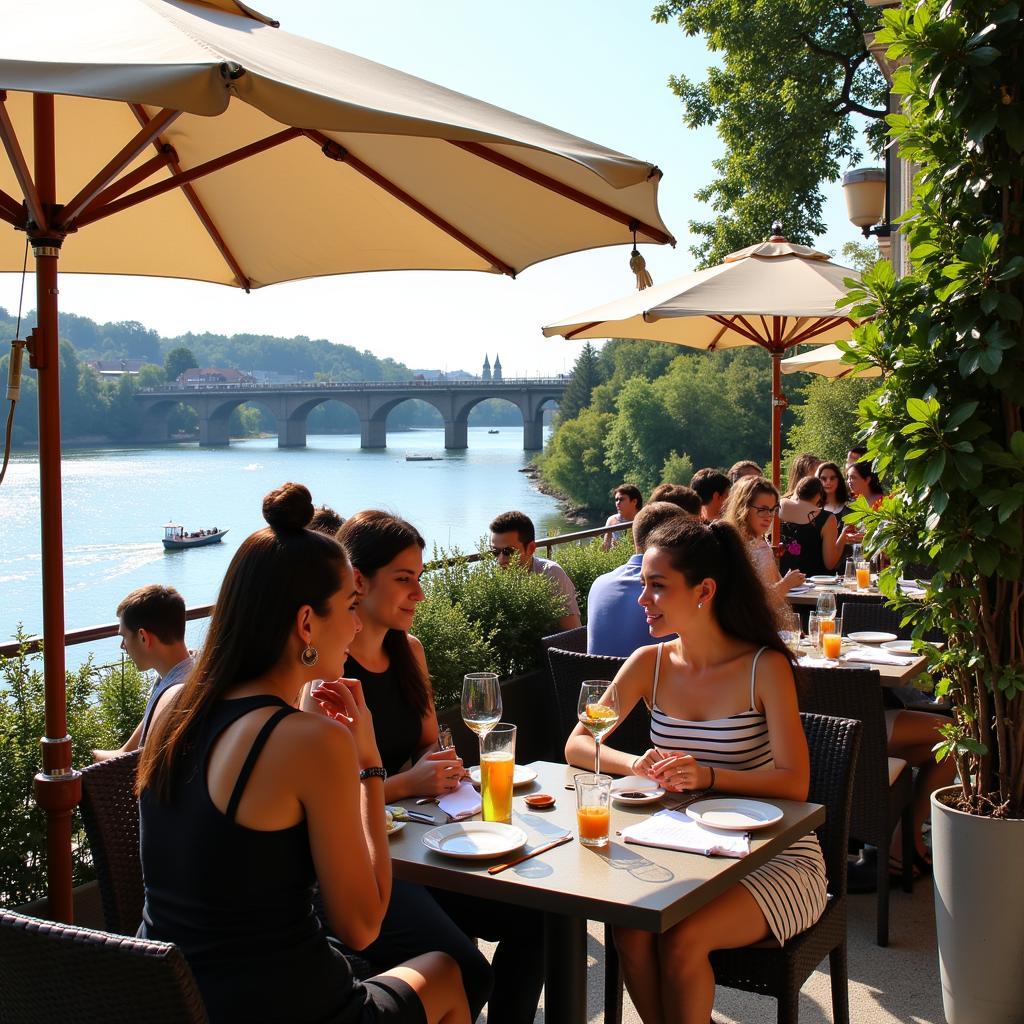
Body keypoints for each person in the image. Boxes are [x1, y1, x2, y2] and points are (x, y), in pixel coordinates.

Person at [137, 483, 469, 1024]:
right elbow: (363, 924)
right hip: (281, 1003)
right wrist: (367, 761)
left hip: (170, 997)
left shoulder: (174, 702)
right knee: (447, 970)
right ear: (306, 623)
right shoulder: (310, 741)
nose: (358, 625)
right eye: (349, 606)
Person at [566, 517, 826, 1024]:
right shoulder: (649, 662)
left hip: (775, 858)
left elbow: (796, 783)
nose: (643, 600)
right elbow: (579, 743)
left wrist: (706, 776)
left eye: (658, 587)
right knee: (632, 928)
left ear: (704, 589)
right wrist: (633, 762)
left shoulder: (764, 667)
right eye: (643, 583)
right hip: (683, 852)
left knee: (683, 937)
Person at [333, 510, 543, 1024]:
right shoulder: (329, 671)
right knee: (469, 966)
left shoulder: (410, 652)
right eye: (404, 580)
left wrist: (440, 768)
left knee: (537, 916)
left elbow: (430, 747)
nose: (419, 595)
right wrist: (406, 781)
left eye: (420, 579)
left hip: (423, 843)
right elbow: (330, 802)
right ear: (358, 582)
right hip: (369, 863)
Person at [92, 585, 192, 761]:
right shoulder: (176, 676)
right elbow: (127, 752)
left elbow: (140, 765)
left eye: (124, 637)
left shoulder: (175, 696)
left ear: (143, 637)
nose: (122, 647)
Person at [586, 502, 686, 656]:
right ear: (677, 539)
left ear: (634, 539)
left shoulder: (599, 583)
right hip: (656, 677)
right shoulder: (678, 591)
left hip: (597, 678)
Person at [488, 511, 581, 630]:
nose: (500, 559)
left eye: (508, 552)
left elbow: (572, 632)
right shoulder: (493, 580)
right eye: (495, 552)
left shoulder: (551, 574)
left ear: (531, 548)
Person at [722, 476, 805, 603]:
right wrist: (786, 584)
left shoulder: (759, 541)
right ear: (743, 508)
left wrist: (789, 580)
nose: (769, 516)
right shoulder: (733, 545)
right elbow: (750, 602)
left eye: (773, 510)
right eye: (762, 510)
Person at [780, 476, 862, 577]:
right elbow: (830, 563)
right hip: (814, 582)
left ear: (797, 491)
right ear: (819, 495)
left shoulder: (780, 507)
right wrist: (843, 538)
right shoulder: (826, 518)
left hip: (783, 580)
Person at [602, 483, 643, 551]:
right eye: (616, 500)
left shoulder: (645, 519)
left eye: (621, 499)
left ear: (634, 501)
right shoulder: (611, 521)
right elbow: (606, 548)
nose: (618, 503)